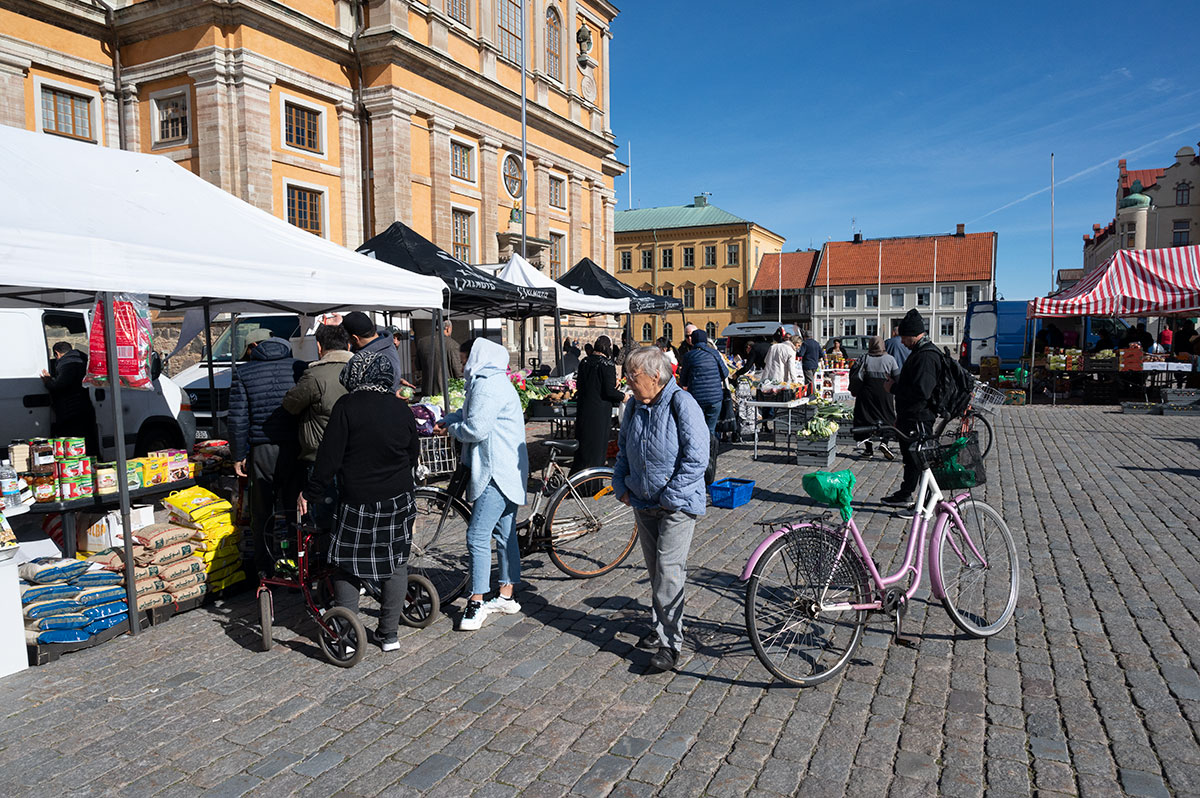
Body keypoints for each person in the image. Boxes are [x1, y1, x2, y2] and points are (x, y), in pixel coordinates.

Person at [299, 352, 419, 652]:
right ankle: (389, 635)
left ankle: (347, 638)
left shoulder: (347, 407)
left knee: (345, 565)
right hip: (399, 498)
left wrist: (309, 493)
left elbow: (328, 460)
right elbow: (412, 453)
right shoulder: (400, 407)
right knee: (395, 561)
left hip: (359, 500)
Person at [613, 346, 708, 673]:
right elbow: (623, 450)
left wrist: (671, 495)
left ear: (656, 376)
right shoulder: (635, 407)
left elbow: (697, 458)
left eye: (633, 376)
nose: (628, 381)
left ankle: (670, 645)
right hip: (643, 501)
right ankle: (659, 626)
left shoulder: (682, 403)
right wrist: (620, 485)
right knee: (656, 571)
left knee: (668, 570)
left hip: (677, 505)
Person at [436, 339, 529, 631]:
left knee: (477, 536)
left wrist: (450, 428)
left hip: (495, 471)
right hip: (506, 469)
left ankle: (475, 601)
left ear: (477, 358)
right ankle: (506, 594)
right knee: (504, 534)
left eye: (465, 359)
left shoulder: (486, 385)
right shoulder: (492, 380)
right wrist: (450, 419)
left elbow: (475, 428)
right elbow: (470, 414)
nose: (463, 366)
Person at [229, 332, 303, 577]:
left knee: (262, 514)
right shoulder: (299, 367)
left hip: (261, 451)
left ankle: (264, 569)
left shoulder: (244, 373)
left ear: (255, 348)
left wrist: (238, 454)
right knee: (294, 510)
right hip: (295, 448)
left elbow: (238, 418)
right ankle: (296, 566)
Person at [883, 310, 941, 507]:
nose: (901, 342)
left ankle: (926, 505)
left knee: (922, 461)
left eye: (903, 337)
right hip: (910, 416)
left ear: (914, 335)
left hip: (920, 417)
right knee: (910, 458)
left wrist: (894, 388)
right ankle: (905, 493)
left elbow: (921, 391)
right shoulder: (919, 352)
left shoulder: (926, 356)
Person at [281, 323, 353, 467]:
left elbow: (290, 405)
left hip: (323, 452)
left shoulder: (315, 375)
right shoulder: (365, 370)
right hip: (358, 450)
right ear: (349, 346)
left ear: (319, 347)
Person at [573, 335, 624, 471]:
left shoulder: (584, 362)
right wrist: (623, 396)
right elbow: (609, 392)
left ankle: (579, 481)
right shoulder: (607, 364)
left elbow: (579, 385)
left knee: (583, 447)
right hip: (599, 413)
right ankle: (593, 484)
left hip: (584, 409)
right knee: (597, 448)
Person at [40, 342, 97, 452]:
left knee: (74, 444)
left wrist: (48, 381)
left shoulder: (67, 363)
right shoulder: (82, 359)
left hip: (71, 410)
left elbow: (60, 385)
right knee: (88, 440)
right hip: (86, 407)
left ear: (57, 353)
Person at [852, 336, 899, 460]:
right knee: (888, 417)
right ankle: (885, 442)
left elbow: (855, 374)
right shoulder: (890, 359)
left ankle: (868, 450)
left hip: (866, 393)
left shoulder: (865, 358)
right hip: (885, 393)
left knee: (864, 418)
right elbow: (897, 377)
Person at [677, 329, 729, 434]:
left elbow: (683, 381)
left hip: (697, 399)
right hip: (715, 397)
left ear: (693, 341)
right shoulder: (714, 353)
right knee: (711, 429)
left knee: (698, 429)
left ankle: (702, 449)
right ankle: (713, 448)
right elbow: (725, 373)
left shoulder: (688, 356)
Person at [414, 319, 461, 398]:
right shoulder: (453, 345)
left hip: (427, 391)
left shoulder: (422, 342)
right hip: (446, 394)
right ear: (448, 328)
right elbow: (458, 371)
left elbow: (418, 366)